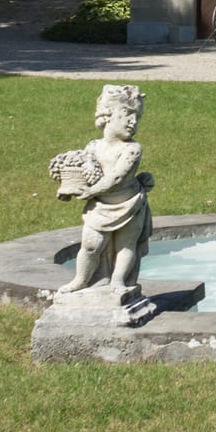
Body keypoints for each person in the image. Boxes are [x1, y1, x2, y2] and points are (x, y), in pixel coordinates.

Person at [55, 84, 154, 293]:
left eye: (137, 117)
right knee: (91, 245)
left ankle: (119, 280)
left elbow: (117, 177)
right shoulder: (93, 146)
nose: (133, 122)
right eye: (127, 114)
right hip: (100, 206)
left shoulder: (132, 149)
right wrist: (69, 187)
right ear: (108, 114)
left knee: (126, 246)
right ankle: (81, 279)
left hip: (129, 203)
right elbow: (83, 171)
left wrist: (91, 191)